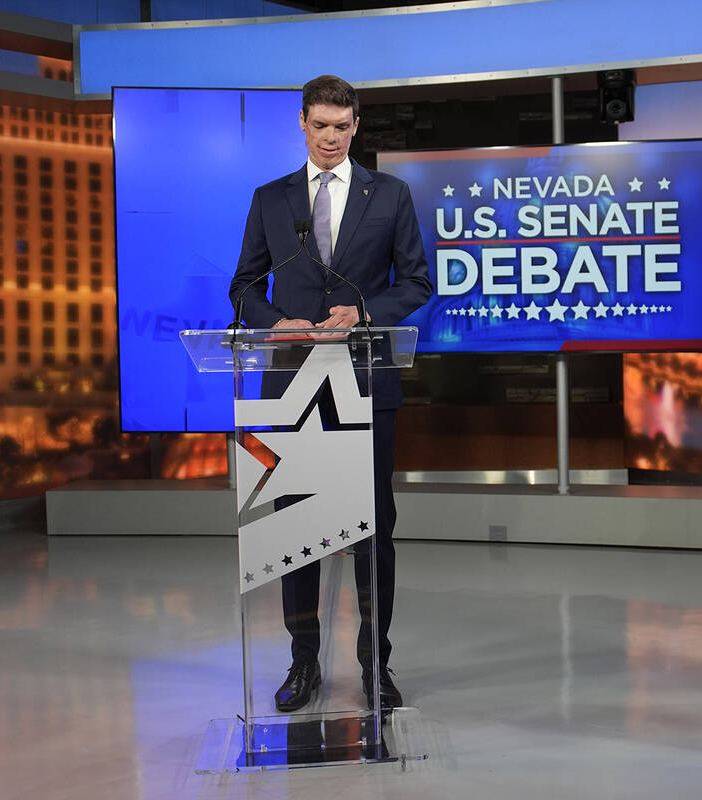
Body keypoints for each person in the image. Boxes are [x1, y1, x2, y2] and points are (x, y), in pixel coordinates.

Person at [229, 74, 433, 712]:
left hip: (365, 378)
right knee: (297, 526)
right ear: (302, 123)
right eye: (320, 126)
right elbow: (243, 288)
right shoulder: (271, 198)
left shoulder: (391, 194)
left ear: (356, 126)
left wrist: (365, 309)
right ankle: (302, 662)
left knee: (375, 529)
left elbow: (418, 283)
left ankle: (376, 663)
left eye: (343, 127)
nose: (331, 138)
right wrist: (271, 323)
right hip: (290, 381)